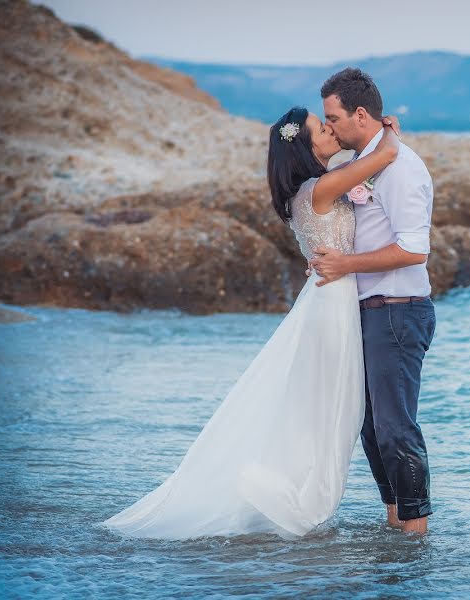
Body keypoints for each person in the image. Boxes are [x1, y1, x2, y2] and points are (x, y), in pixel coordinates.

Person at [102, 105, 406, 539]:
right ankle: (298, 494)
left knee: (323, 407)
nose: (331, 131)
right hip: (332, 305)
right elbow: (384, 157)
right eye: (322, 129)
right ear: (304, 146)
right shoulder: (319, 189)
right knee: (332, 407)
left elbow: (363, 174)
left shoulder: (307, 191)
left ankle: (304, 486)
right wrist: (390, 131)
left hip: (328, 301)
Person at [310, 68, 436, 535]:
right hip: (366, 313)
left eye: (334, 117)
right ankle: (395, 521)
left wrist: (345, 265)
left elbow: (413, 249)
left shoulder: (401, 167)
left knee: (395, 426)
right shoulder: (369, 162)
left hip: (398, 311)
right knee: (371, 429)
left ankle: (416, 530)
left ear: (361, 114)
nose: (331, 127)